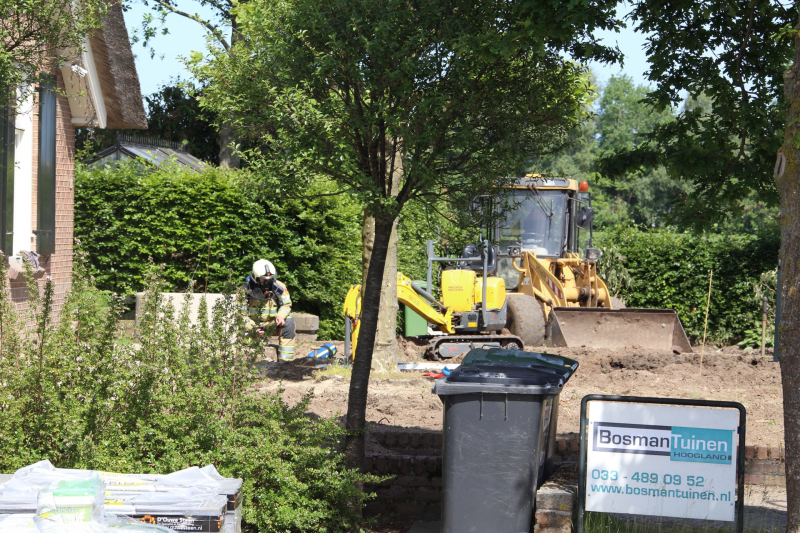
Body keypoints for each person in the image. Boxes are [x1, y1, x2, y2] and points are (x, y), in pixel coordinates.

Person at [243, 259, 296, 361]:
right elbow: (240, 315)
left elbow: (286, 304)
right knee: (245, 341)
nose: (267, 282)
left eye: (270, 278)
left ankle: (285, 362)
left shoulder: (280, 287)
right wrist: (253, 327)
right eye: (263, 279)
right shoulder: (245, 290)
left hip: (272, 324)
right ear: (255, 278)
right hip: (253, 326)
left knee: (289, 321)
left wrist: (280, 316)